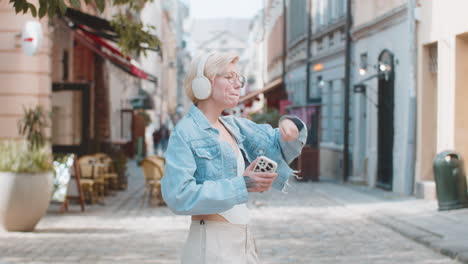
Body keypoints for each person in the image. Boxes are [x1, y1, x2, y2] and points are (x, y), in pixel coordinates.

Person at [161, 52, 307, 263]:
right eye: (229, 77)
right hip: (212, 244)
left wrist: (292, 126)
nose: (238, 84)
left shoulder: (234, 126)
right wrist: (243, 184)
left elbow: (279, 143)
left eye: (239, 78)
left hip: (243, 239)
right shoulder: (186, 132)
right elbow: (178, 196)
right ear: (203, 83)